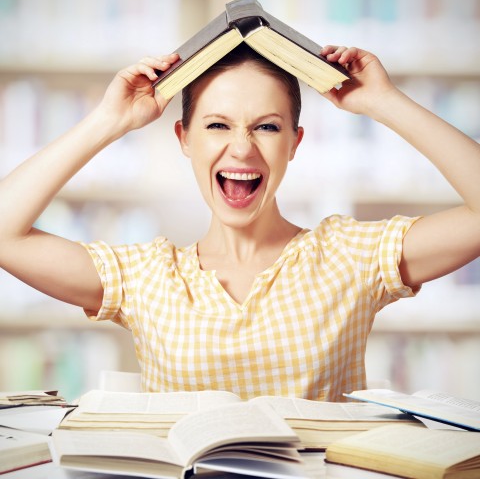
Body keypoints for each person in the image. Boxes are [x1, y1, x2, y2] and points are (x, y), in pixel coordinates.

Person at [0, 43, 479, 402]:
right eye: (217, 125)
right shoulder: (146, 279)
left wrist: (384, 102)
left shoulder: (349, 257)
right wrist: (109, 119)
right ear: (184, 138)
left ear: (295, 142)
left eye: (267, 126)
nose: (243, 148)